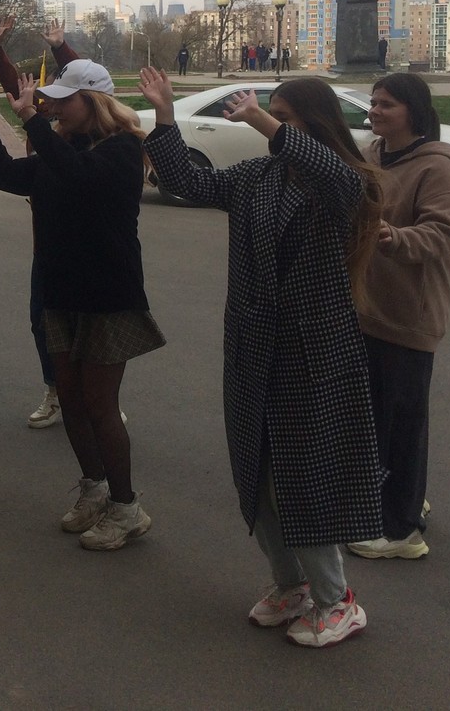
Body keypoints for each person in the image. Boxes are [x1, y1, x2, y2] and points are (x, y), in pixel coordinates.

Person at [140, 70, 384, 648]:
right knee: (259, 473)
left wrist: (259, 120)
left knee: (304, 478)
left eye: (286, 117)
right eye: (273, 114)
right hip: (253, 348)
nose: (273, 124)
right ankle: (290, 585)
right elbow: (189, 183)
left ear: (315, 125)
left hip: (312, 354)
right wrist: (166, 119)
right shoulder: (259, 176)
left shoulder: (343, 181)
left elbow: (331, 172)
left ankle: (338, 601)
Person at [0, 60, 165, 550]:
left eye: (63, 99)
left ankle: (127, 507)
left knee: (100, 405)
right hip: (61, 292)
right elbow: (7, 176)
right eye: (51, 101)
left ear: (93, 101)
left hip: (107, 296)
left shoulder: (122, 150)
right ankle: (94, 489)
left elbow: (82, 178)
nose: (53, 107)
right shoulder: (63, 149)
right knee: (72, 400)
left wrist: (31, 120)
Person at [349, 73, 450, 561]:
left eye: (386, 104)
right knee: (375, 419)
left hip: (409, 315)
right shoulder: (372, 154)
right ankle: (402, 497)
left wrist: (392, 237)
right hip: (368, 309)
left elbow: (441, 234)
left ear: (412, 112)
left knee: (403, 424)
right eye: (373, 102)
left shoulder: (437, 166)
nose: (375, 111)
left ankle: (402, 531)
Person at [0, 15, 81, 429]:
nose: (51, 103)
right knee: (41, 321)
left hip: (86, 248)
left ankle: (98, 396)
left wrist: (61, 48)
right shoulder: (47, 117)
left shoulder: (90, 136)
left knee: (86, 328)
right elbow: (18, 91)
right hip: (46, 245)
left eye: (60, 96)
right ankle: (56, 391)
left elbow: (83, 80)